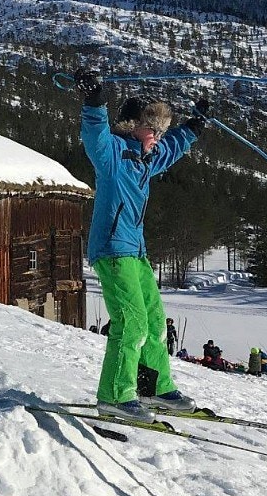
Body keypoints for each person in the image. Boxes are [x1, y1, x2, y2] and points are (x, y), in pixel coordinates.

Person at [76, 70, 206, 423]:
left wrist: (194, 127)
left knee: (153, 323)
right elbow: (95, 136)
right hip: (113, 251)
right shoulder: (113, 155)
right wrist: (95, 101)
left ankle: (155, 388)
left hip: (136, 252)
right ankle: (115, 395)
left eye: (161, 132)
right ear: (133, 126)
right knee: (130, 323)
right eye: (154, 130)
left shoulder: (146, 160)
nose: (158, 138)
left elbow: (174, 149)